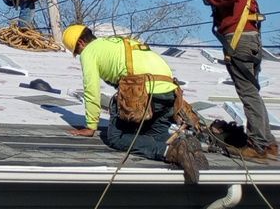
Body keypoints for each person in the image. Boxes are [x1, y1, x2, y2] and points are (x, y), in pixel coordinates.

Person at [62, 24, 207, 183]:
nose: (79, 54)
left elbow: (91, 89)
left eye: (77, 51)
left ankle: (170, 152)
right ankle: (186, 146)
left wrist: (91, 126)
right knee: (155, 135)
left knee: (116, 138)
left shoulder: (89, 51)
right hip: (170, 93)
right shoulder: (116, 42)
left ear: (81, 43)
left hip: (145, 92)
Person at [185, 0, 276, 159]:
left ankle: (258, 145)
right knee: (252, 92)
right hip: (251, 38)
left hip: (238, 38)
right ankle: (268, 143)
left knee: (247, 93)